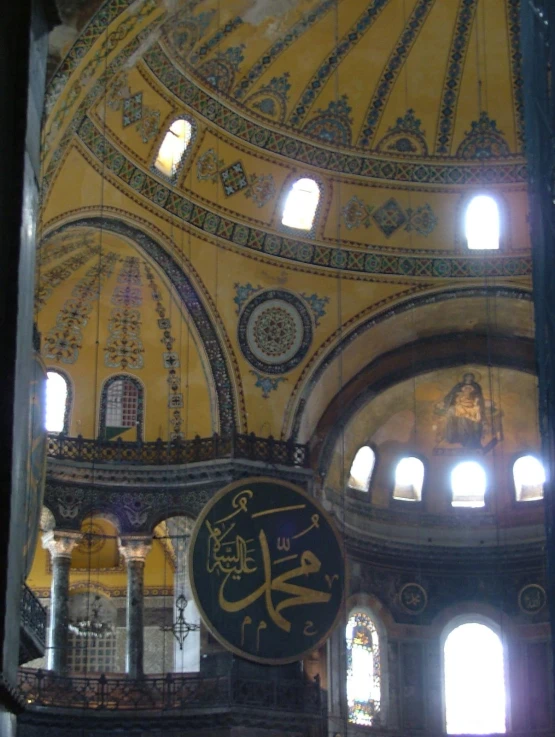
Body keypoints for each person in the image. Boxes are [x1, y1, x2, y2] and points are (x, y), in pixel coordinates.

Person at [440, 373, 485, 448]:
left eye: (470, 377)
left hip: (471, 407)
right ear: (464, 377)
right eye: (467, 377)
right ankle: (451, 435)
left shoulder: (476, 386)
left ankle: (467, 438)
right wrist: (455, 397)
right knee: (451, 411)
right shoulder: (458, 386)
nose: (468, 378)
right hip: (460, 407)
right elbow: (451, 395)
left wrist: (475, 400)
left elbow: (479, 397)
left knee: (465, 418)